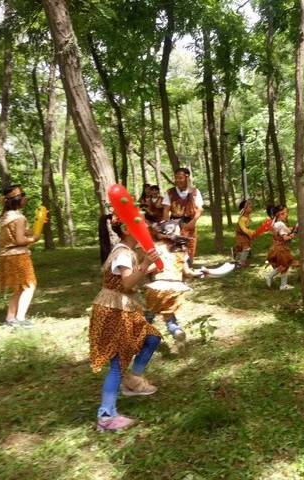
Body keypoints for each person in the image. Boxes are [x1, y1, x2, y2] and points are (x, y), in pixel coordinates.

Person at [90, 216, 162, 432]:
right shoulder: (122, 253)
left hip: (123, 307)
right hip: (114, 310)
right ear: (127, 229)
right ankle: (106, 416)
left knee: (151, 337)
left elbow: (129, 280)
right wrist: (146, 264)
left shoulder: (126, 251)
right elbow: (127, 282)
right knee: (117, 364)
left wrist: (146, 267)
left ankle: (133, 382)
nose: (147, 231)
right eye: (142, 227)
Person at [144, 221, 203, 345]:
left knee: (149, 315)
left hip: (158, 286)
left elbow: (150, 268)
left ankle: (139, 338)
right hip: (176, 289)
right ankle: (176, 331)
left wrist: (141, 269)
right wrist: (199, 273)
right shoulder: (181, 249)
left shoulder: (156, 247)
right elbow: (187, 272)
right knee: (169, 317)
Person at [0, 185, 40, 327]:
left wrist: (39, 224)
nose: (25, 198)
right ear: (18, 200)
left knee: (18, 287)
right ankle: (20, 319)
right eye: (23, 195)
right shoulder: (19, 218)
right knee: (29, 286)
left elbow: (21, 233)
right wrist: (34, 239)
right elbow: (20, 240)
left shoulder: (5, 217)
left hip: (6, 256)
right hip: (18, 256)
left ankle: (10, 319)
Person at [162, 167, 203, 264]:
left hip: (190, 222)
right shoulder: (170, 192)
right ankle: (178, 270)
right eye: (176, 178)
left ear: (187, 178)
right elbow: (166, 210)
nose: (178, 180)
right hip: (174, 224)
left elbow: (200, 209)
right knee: (176, 247)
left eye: (180, 177)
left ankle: (189, 268)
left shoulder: (195, 192)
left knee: (190, 246)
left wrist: (193, 222)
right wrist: (167, 226)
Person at [265, 205, 295, 290]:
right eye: (285, 213)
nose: (286, 215)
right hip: (281, 248)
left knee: (283, 266)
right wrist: (292, 236)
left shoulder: (276, 223)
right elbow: (285, 238)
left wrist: (290, 230)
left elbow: (282, 231)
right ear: (279, 214)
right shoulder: (281, 224)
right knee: (284, 266)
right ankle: (272, 278)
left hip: (276, 247)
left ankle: (282, 284)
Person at [234, 199, 256, 268]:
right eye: (249, 207)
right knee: (246, 248)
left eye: (251, 206)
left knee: (243, 248)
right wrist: (251, 232)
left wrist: (251, 234)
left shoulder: (247, 217)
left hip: (245, 235)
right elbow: (244, 229)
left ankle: (237, 257)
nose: (251, 207)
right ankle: (241, 263)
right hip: (241, 235)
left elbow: (247, 228)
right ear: (244, 209)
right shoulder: (242, 219)